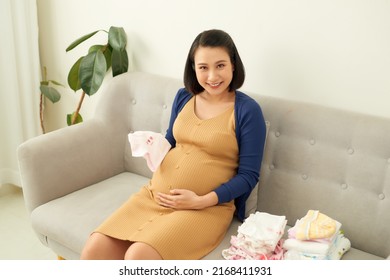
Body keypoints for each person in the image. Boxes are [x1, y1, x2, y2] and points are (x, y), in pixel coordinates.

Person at [80, 29, 267, 260]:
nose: (212, 76)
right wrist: (152, 147)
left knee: (138, 256)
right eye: (203, 67)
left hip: (206, 208)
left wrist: (200, 200)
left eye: (220, 66)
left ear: (233, 66)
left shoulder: (247, 111)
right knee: (94, 249)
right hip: (154, 195)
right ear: (193, 68)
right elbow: (171, 141)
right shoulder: (184, 96)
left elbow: (248, 176)